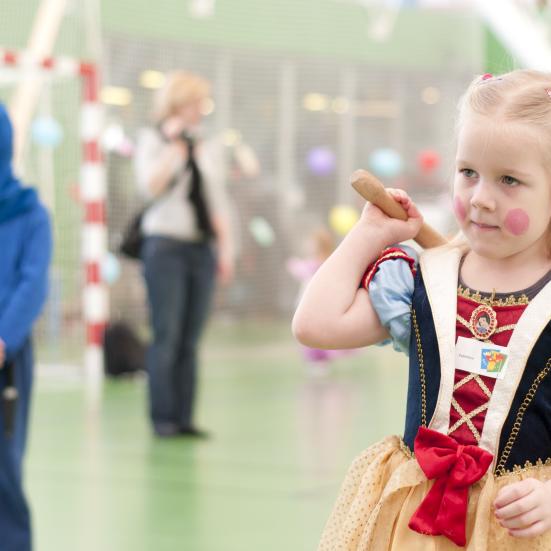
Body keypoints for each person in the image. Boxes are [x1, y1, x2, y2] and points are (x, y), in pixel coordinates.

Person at [293, 70, 551, 549]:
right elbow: (315, 325)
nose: (480, 198)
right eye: (468, 172)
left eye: (509, 180)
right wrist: (369, 236)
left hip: (522, 531)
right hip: (415, 528)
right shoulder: (426, 280)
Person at [134, 71, 234, 438]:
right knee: (167, 334)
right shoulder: (153, 140)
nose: (198, 111)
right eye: (193, 104)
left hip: (200, 248)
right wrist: (174, 150)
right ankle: (162, 418)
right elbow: (148, 188)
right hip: (166, 247)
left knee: (191, 338)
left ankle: (184, 416)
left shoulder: (205, 147)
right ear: (176, 104)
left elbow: (215, 201)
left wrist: (225, 249)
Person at [0, 104, 52, 550]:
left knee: (3, 469)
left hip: (6, 360)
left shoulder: (31, 214)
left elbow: (32, 284)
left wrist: (4, 338)